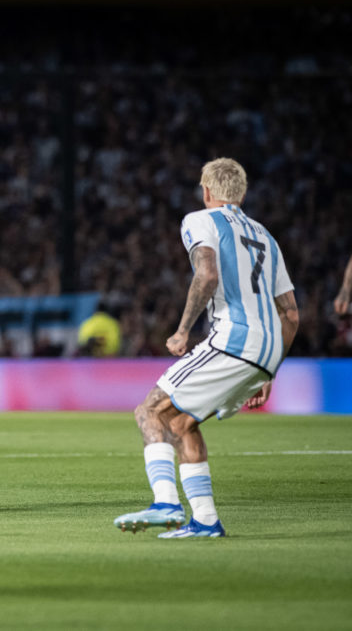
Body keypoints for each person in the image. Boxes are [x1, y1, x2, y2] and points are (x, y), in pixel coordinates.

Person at [114, 158, 298, 538]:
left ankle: (165, 502)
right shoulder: (267, 236)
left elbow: (208, 273)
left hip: (233, 340)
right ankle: (206, 520)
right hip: (264, 350)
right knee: (182, 423)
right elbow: (292, 314)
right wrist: (268, 370)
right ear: (242, 193)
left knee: (149, 410)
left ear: (207, 191)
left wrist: (182, 331)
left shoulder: (200, 220)